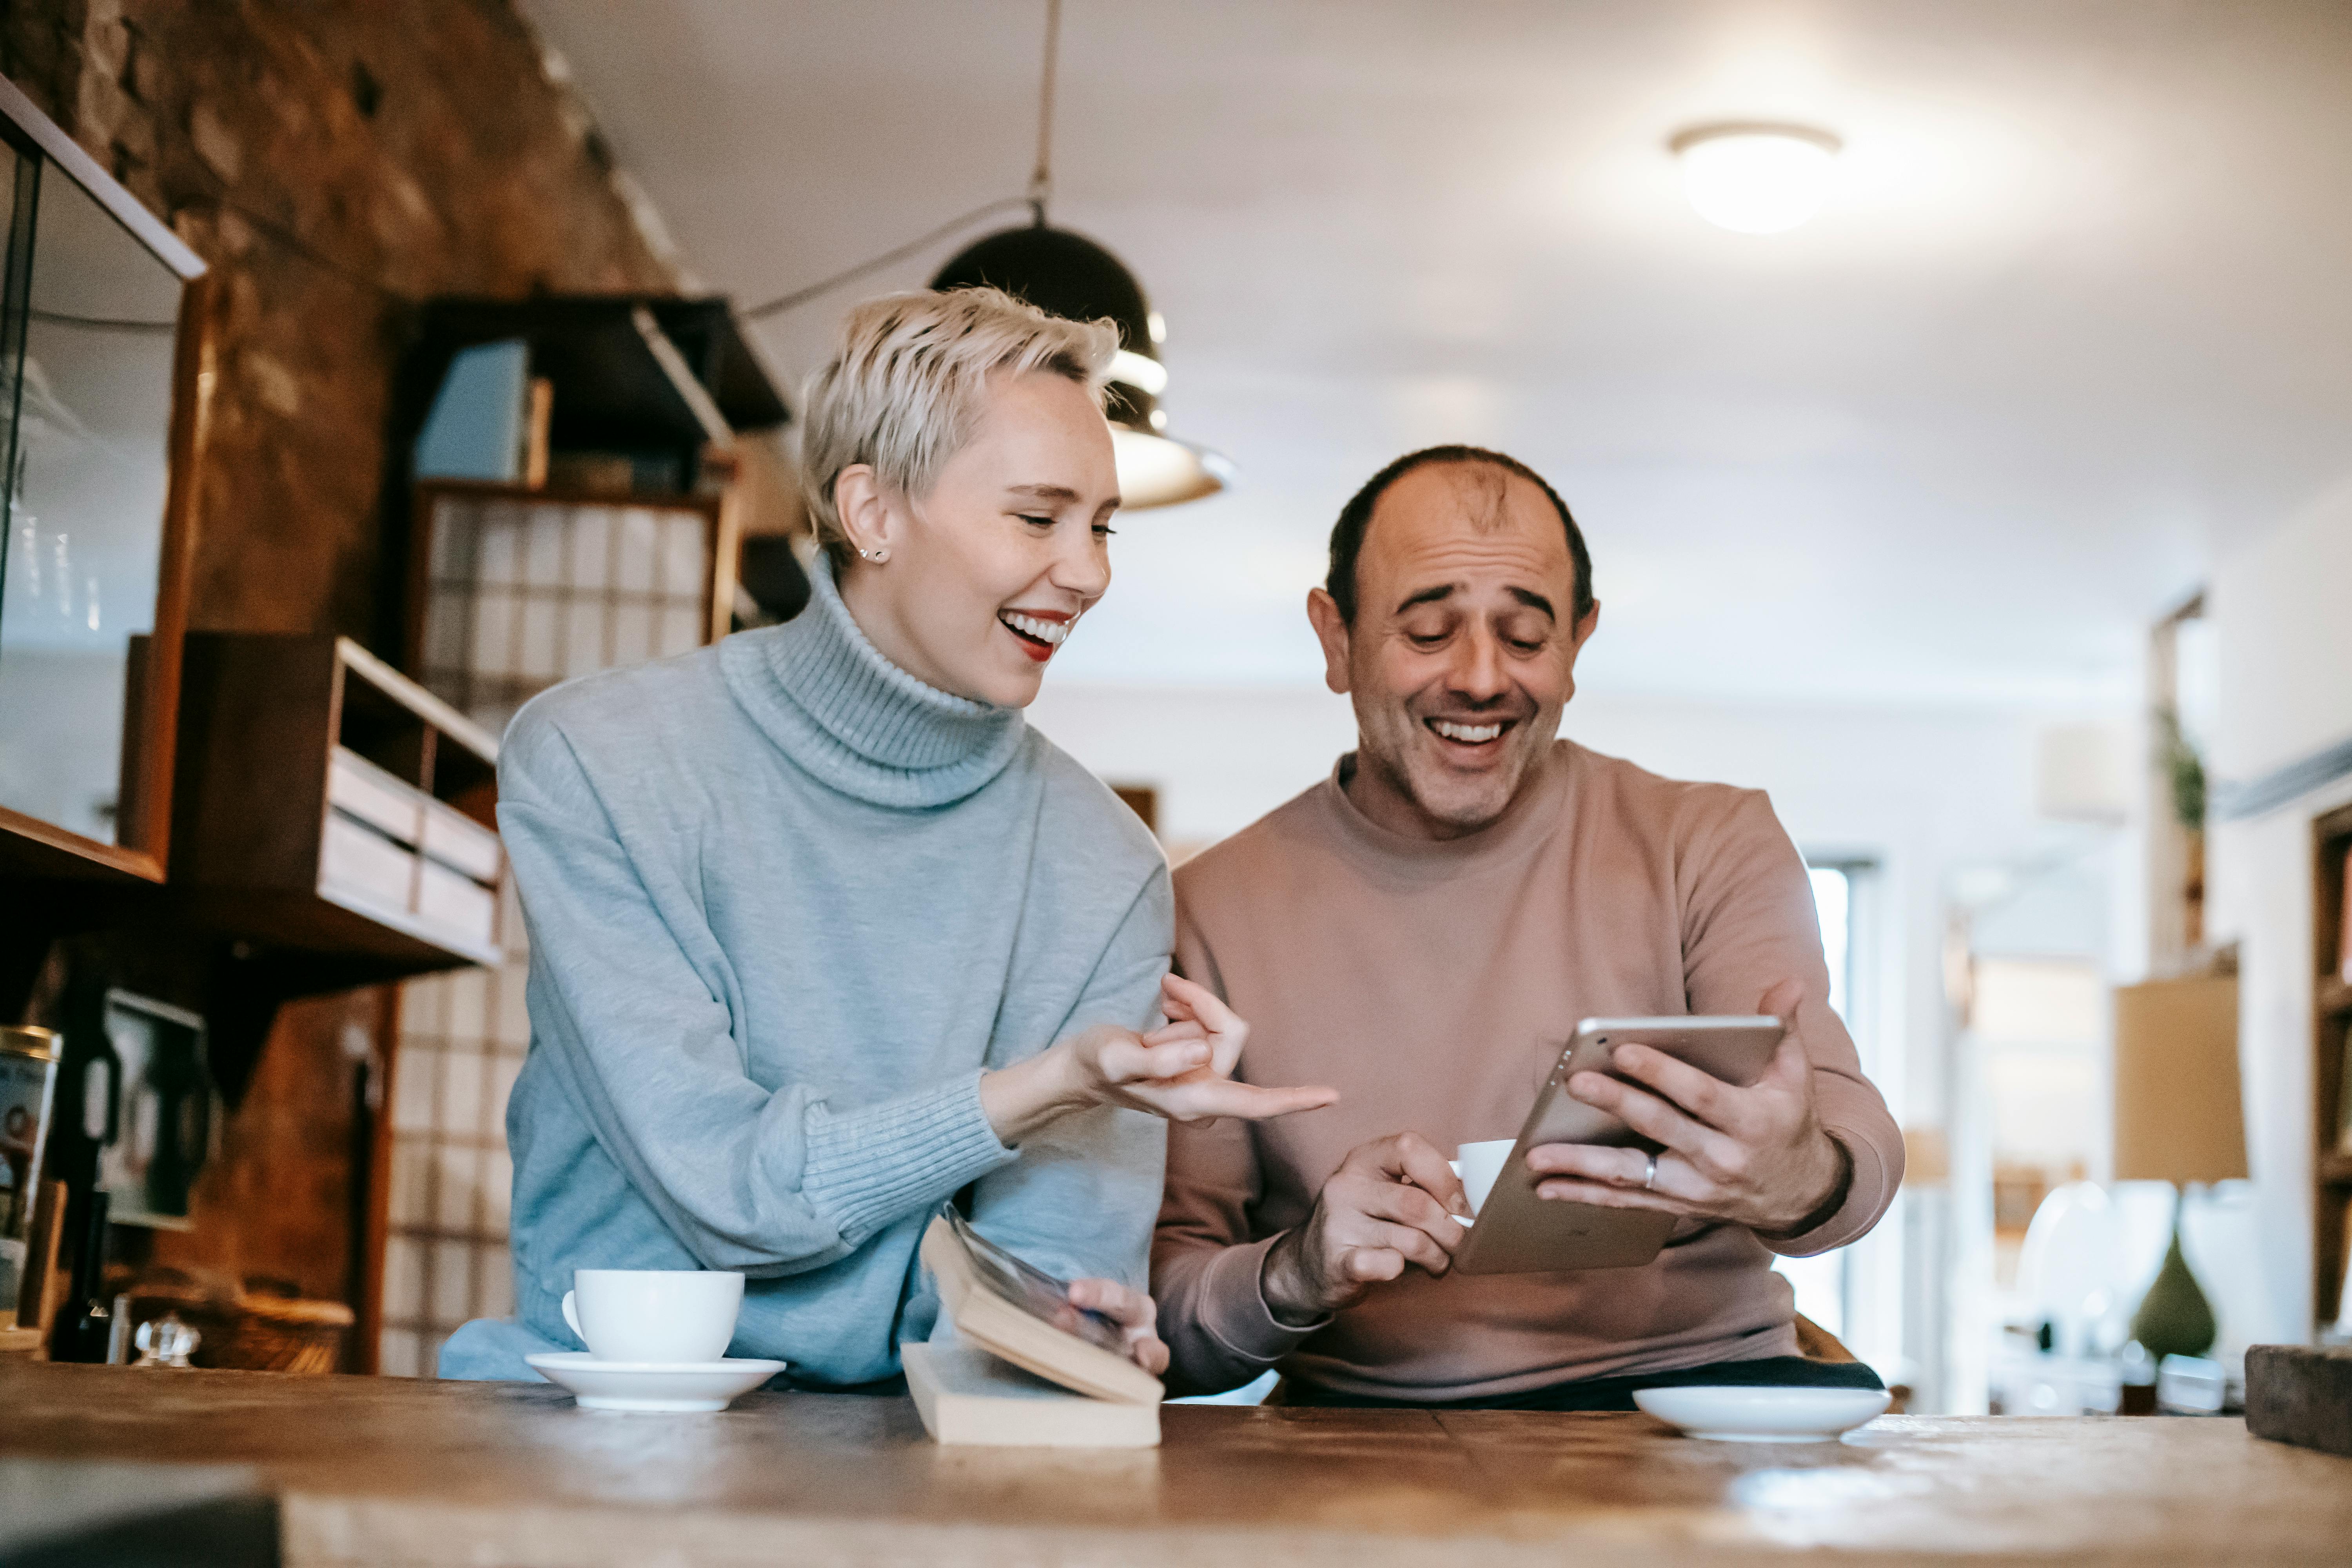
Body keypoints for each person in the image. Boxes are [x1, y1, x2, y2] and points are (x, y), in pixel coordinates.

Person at [440, 288, 1331, 1384]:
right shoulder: (601, 758)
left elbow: (1042, 1290)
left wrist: (1073, 1331)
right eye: (1038, 517)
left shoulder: (1102, 867)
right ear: (871, 513)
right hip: (597, 1425)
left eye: (1101, 527)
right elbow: (726, 1192)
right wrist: (1046, 1084)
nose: (1090, 572)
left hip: (920, 1446)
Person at [1151, 445, 1903, 1409]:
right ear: (1334, 639)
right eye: (1427, 631)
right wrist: (1295, 1271)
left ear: (1579, 643)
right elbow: (1167, 1315)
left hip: (1702, 1396)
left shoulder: (1710, 840)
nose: (1479, 677)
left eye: (1524, 635)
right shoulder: (1211, 908)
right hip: (1373, 1434)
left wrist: (1797, 1174)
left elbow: (1853, 1137)